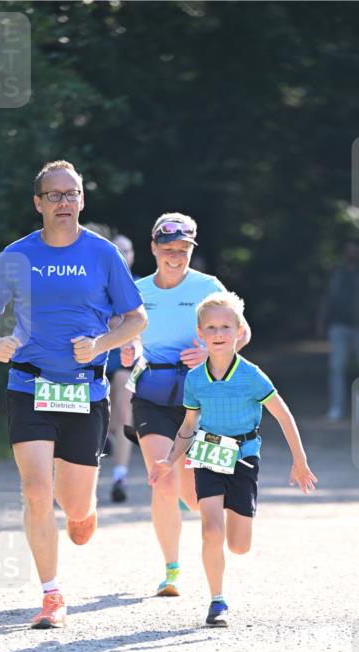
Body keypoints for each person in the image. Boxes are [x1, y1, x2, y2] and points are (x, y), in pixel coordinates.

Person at [0, 160, 147, 628]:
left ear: (82, 200)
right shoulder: (17, 255)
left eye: (72, 194)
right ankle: (51, 595)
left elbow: (136, 318)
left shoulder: (103, 254)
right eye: (55, 195)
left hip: (84, 392)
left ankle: (83, 513)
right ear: (38, 203)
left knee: (76, 508)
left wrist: (101, 346)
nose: (64, 203)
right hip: (28, 383)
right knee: (34, 490)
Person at [149, 291, 317, 627]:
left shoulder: (252, 375)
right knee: (211, 529)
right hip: (208, 453)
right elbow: (188, 425)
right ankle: (217, 601)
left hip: (243, 457)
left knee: (238, 545)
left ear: (239, 331)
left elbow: (283, 416)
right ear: (199, 333)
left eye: (225, 327)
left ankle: (233, 538)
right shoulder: (195, 379)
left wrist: (299, 461)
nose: (218, 334)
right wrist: (169, 460)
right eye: (210, 328)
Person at [122, 212, 251, 597]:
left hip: (200, 397)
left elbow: (242, 332)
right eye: (168, 249)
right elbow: (123, 335)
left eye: (183, 250)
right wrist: (127, 349)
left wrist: (211, 351)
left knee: (195, 497)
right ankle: (171, 570)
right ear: (153, 248)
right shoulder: (138, 291)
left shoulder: (208, 287)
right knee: (163, 479)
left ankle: (218, 524)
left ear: (191, 250)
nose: (175, 257)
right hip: (152, 395)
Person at [86, 228, 138, 503]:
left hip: (127, 356)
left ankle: (120, 474)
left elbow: (143, 323)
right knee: (99, 413)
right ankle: (101, 443)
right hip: (94, 355)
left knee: (122, 409)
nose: (121, 254)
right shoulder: (94, 283)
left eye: (126, 250)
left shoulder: (141, 285)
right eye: (116, 249)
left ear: (132, 256)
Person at [315, 238, 359, 421]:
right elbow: (327, 297)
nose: (351, 253)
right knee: (336, 366)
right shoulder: (337, 271)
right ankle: (336, 407)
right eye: (348, 250)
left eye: (355, 250)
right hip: (338, 325)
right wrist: (322, 320)